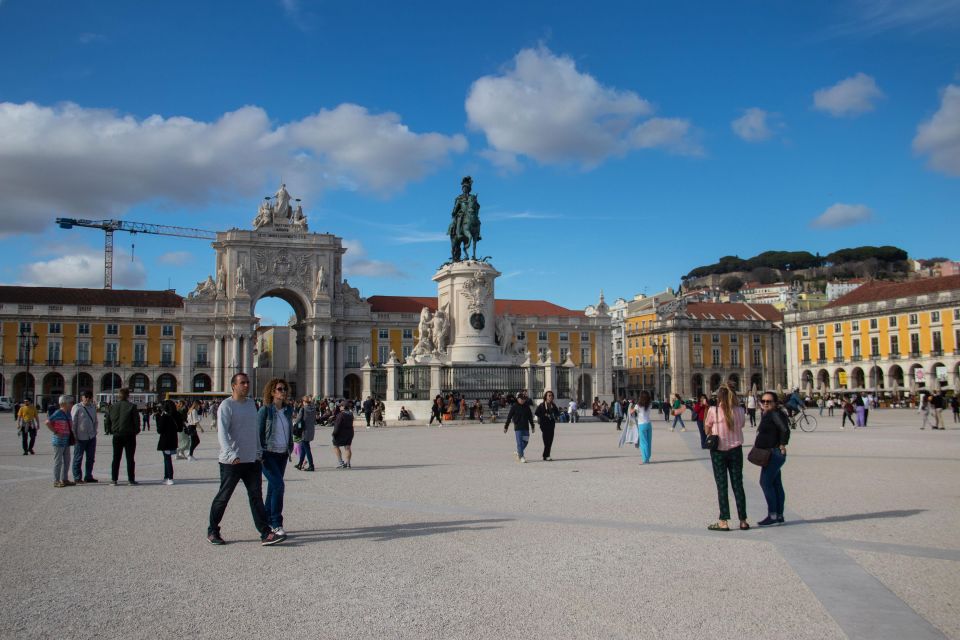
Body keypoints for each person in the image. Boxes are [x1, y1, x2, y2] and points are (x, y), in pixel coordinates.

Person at [207, 373, 284, 546]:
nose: (246, 385)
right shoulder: (226, 406)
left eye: (248, 382)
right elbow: (222, 433)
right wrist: (231, 454)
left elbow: (254, 431)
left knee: (256, 497)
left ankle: (265, 533)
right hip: (231, 461)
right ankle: (212, 530)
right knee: (224, 497)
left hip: (251, 460)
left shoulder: (251, 404)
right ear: (233, 386)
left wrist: (259, 452)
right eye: (242, 383)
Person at [704, 384, 748, 532]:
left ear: (719, 397)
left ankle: (724, 521)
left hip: (718, 452)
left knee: (722, 486)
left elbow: (707, 429)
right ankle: (743, 521)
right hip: (736, 450)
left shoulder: (713, 410)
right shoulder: (740, 411)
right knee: (738, 485)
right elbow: (740, 426)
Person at [258, 379, 294, 536]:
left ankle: (266, 522)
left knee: (273, 488)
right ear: (272, 391)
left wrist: (290, 447)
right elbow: (257, 433)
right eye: (280, 389)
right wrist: (259, 454)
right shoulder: (265, 410)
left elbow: (289, 430)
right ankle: (276, 523)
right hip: (268, 453)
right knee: (279, 486)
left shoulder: (288, 410)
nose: (283, 391)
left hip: (282, 454)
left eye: (285, 389)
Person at [755, 392, 791, 526]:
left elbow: (785, 430)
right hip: (771, 453)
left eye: (769, 401)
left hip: (774, 454)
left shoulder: (774, 414)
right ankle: (779, 515)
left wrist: (782, 444)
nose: (765, 403)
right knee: (776, 484)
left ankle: (773, 515)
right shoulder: (769, 414)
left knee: (765, 482)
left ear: (775, 403)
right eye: (763, 401)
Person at [104, 388, 141, 486]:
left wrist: (110, 430)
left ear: (118, 396)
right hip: (129, 435)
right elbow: (136, 422)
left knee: (116, 458)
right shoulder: (132, 406)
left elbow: (107, 421)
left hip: (116, 435)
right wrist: (136, 431)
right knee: (130, 458)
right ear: (128, 396)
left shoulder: (112, 407)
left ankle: (114, 479)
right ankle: (131, 480)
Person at [70, 390, 99, 483]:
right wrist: (74, 435)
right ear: (81, 397)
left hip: (91, 437)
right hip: (80, 437)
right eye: (85, 396)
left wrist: (94, 432)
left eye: (89, 397)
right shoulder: (77, 407)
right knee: (78, 458)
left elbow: (95, 421)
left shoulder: (93, 407)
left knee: (91, 458)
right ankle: (77, 477)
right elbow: (73, 422)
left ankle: (88, 476)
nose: (87, 398)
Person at [46, 395, 75, 488]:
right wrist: (55, 431)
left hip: (66, 440)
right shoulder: (58, 412)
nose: (72, 405)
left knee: (67, 460)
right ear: (64, 403)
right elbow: (47, 422)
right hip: (58, 441)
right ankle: (56, 480)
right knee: (58, 461)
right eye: (70, 403)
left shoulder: (68, 413)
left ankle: (65, 479)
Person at [504, 392, 535, 463]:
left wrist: (532, 426)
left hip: (526, 427)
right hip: (518, 428)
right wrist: (506, 426)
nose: (523, 400)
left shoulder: (527, 407)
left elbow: (530, 417)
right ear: (518, 399)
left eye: (524, 399)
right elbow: (509, 417)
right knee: (519, 443)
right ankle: (521, 456)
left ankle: (518, 451)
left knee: (526, 442)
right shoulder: (514, 406)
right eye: (521, 399)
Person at [156, 400, 180, 485]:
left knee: (167, 459)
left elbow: (159, 430)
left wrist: (158, 419)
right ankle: (166, 477)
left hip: (165, 440)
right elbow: (180, 428)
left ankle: (169, 477)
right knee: (167, 458)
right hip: (173, 439)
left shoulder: (164, 416)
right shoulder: (177, 415)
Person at [535, 390, 561, 461]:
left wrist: (555, 416)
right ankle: (547, 455)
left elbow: (557, 413)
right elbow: (537, 413)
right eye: (549, 395)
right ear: (546, 397)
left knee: (550, 441)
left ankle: (546, 456)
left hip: (551, 425)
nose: (550, 397)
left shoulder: (553, 405)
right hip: (544, 425)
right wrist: (544, 415)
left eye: (551, 395)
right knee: (546, 441)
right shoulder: (542, 405)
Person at [294, 396, 316, 471]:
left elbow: (298, 419)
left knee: (307, 449)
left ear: (304, 401)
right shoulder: (313, 409)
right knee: (303, 447)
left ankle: (311, 465)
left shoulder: (303, 409)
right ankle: (300, 464)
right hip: (311, 430)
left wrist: (295, 423)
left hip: (304, 430)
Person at [331, 400, 355, 468]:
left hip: (341, 433)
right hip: (350, 432)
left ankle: (341, 462)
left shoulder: (341, 414)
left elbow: (337, 425)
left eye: (341, 406)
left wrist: (334, 433)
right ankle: (348, 463)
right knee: (347, 447)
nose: (339, 407)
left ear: (344, 407)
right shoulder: (351, 414)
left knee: (335, 446)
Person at [635, 391, 653, 463]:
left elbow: (632, 411)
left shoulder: (638, 405)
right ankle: (648, 457)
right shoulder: (650, 404)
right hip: (648, 424)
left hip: (641, 425)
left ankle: (645, 459)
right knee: (648, 442)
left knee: (643, 443)